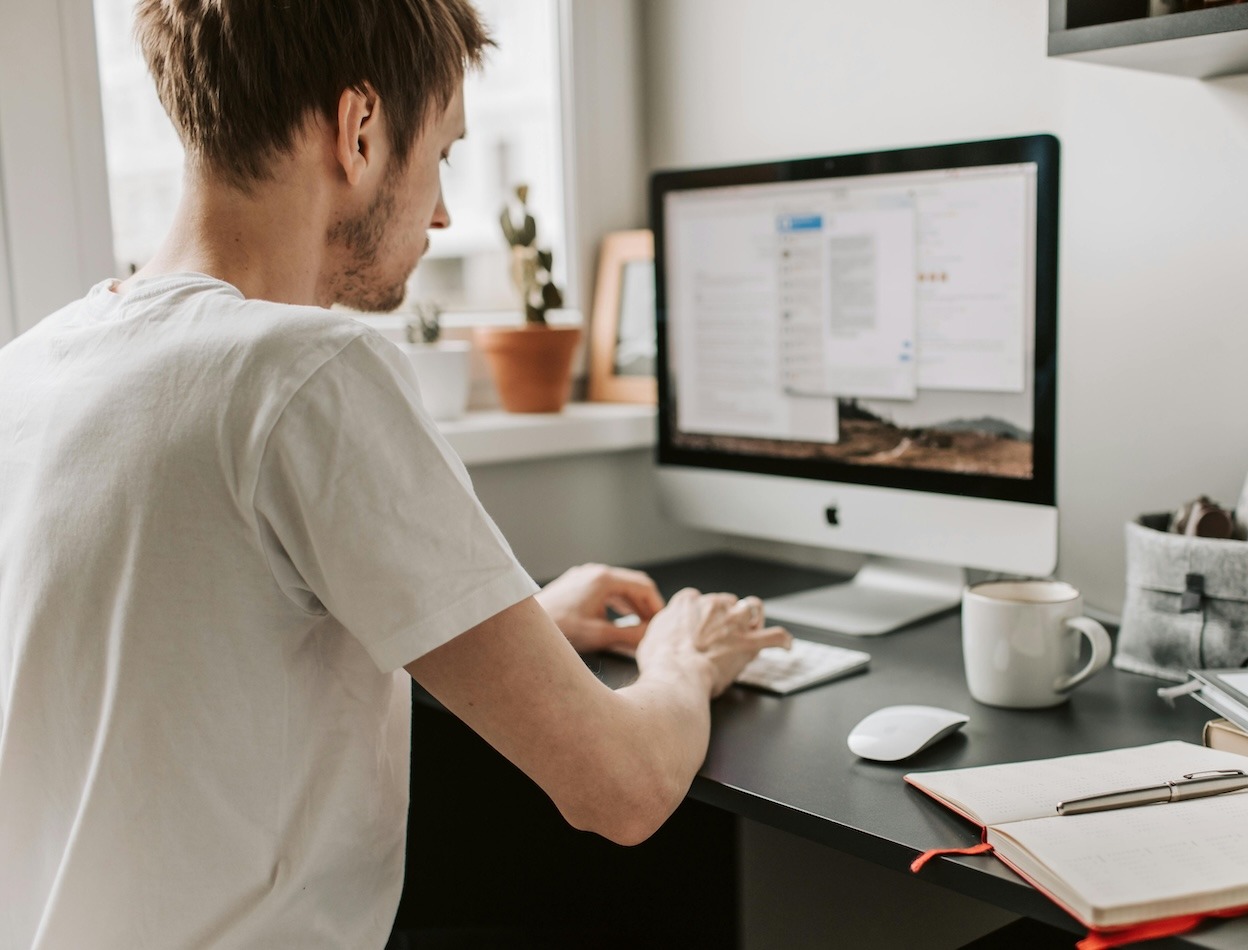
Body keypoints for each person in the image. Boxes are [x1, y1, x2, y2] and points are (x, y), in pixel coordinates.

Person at [0, 1, 790, 946]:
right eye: (445, 153)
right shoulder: (307, 371)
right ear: (360, 130)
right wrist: (683, 663)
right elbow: (622, 790)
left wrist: (522, 620)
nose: (446, 209)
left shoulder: (33, 368)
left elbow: (200, 676)